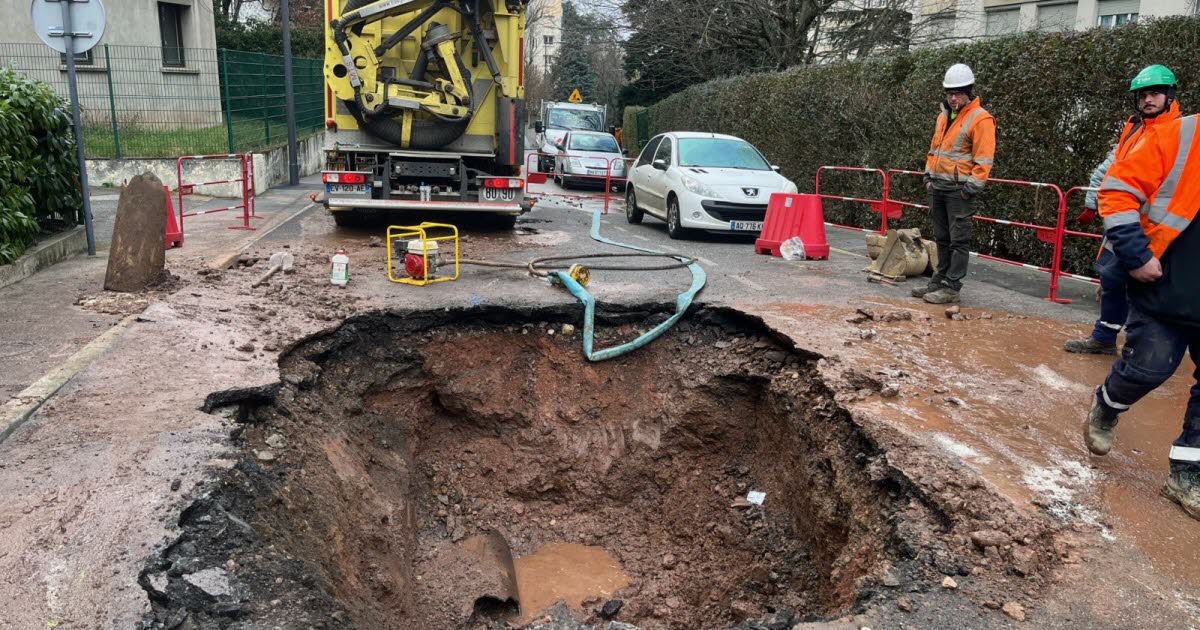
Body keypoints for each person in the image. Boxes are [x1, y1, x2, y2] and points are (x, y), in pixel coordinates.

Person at [1086, 111, 1200, 521]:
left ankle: (1188, 474)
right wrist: (1135, 253)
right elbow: (1116, 189)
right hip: (1165, 285)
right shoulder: (1181, 135)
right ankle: (1108, 403)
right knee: (1147, 368)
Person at [1066, 65, 1183, 355]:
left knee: (1145, 294)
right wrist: (1094, 204)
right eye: (1143, 95)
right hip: (1124, 224)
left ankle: (1141, 353)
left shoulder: (1178, 133)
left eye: (1155, 93)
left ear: (1169, 96)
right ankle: (1104, 338)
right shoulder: (1134, 130)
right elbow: (1112, 169)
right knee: (1111, 280)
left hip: (1158, 231)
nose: (1148, 100)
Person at [912, 63, 997, 305]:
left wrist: (971, 188)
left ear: (968, 92)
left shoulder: (980, 119)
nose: (953, 98)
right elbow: (934, 150)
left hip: (959, 190)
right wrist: (928, 177)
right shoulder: (943, 116)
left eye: (958, 93)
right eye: (950, 93)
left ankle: (952, 286)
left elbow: (984, 159)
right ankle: (939, 280)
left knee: (959, 240)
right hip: (938, 186)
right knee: (942, 237)